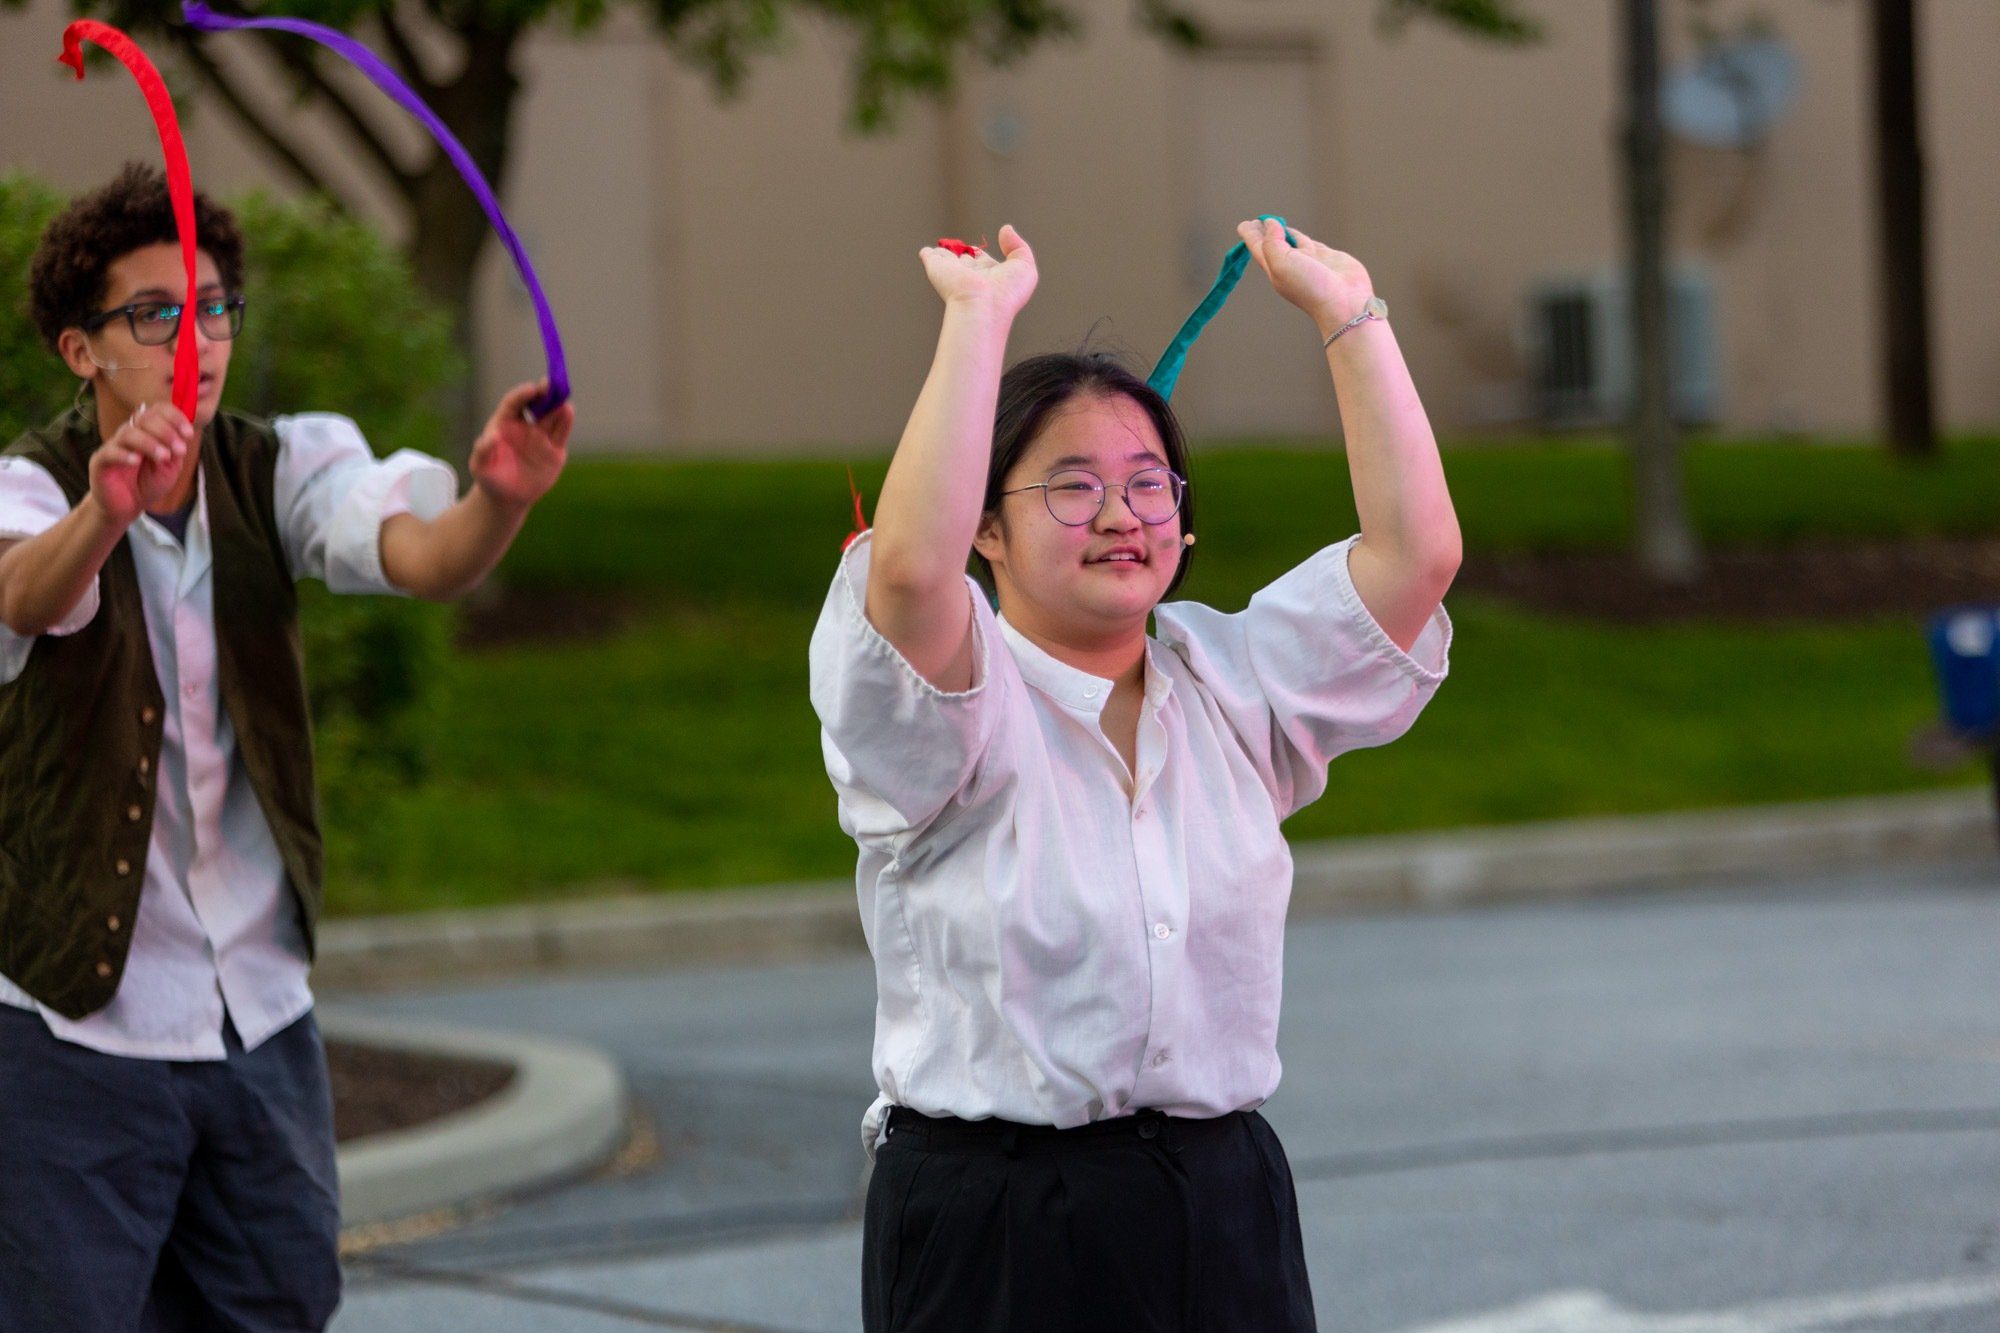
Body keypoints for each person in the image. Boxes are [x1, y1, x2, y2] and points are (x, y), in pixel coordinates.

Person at [809, 218, 1459, 1331]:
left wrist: (1348, 315)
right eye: (1068, 486)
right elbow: (911, 571)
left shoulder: (1231, 682)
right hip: (993, 1224)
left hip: (1219, 1201)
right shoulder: (948, 706)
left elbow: (1414, 559)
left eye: (1150, 485)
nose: (1120, 515)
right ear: (989, 532)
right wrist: (977, 321)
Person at [0, 162, 573, 1332]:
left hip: (256, 1012)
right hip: (72, 1026)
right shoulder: (28, 487)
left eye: (212, 306)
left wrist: (497, 500)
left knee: (279, 1308)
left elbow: (417, 555)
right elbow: (22, 595)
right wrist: (103, 512)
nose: (194, 338)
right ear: (80, 350)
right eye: (154, 313)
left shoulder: (279, 467)